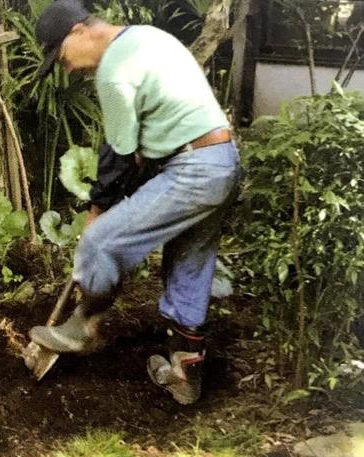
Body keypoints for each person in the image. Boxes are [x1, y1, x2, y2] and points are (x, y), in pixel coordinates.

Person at [28, 0, 242, 405]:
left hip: (193, 170)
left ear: (78, 32)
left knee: (100, 242)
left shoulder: (113, 71)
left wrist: (97, 212)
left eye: (62, 57)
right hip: (222, 160)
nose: (67, 68)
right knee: (189, 260)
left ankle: (84, 325)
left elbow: (118, 153)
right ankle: (185, 369)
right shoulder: (148, 38)